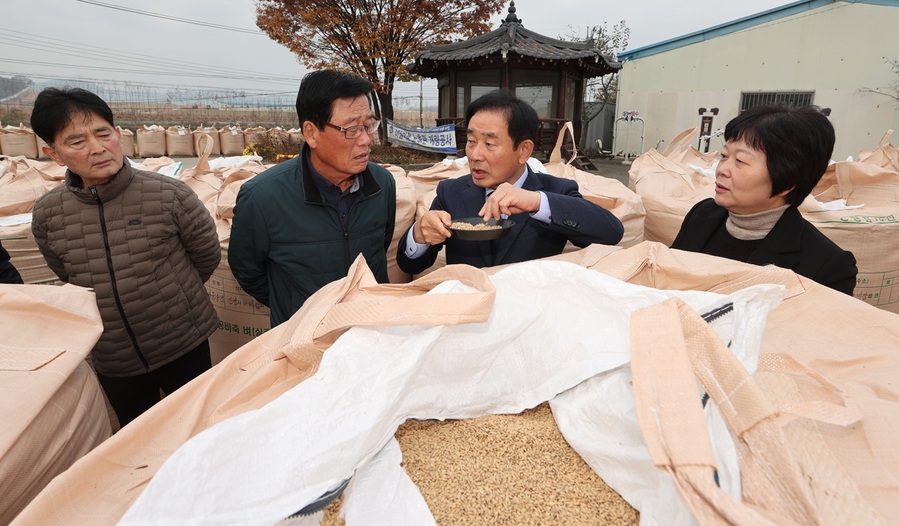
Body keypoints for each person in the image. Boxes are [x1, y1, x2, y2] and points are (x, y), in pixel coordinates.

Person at [30, 88, 221, 427]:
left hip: (182, 343)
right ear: (54, 154)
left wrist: (171, 296)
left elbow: (205, 256)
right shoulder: (48, 214)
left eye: (103, 134)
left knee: (201, 426)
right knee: (139, 437)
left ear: (119, 134)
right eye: (77, 141)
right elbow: (66, 273)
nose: (97, 148)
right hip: (114, 358)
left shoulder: (169, 195)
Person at [229, 70, 396, 327]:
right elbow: (248, 272)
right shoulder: (263, 198)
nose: (366, 139)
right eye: (352, 128)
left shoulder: (382, 184)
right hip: (302, 338)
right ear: (311, 133)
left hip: (370, 333)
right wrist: (294, 305)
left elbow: (380, 247)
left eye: (368, 125)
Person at [397, 89, 624, 275]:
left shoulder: (555, 191)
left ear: (524, 151)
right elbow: (410, 265)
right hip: (470, 307)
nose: (474, 154)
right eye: (471, 141)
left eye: (489, 144)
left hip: (530, 308)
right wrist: (419, 235)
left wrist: (537, 202)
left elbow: (611, 233)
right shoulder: (451, 191)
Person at [671, 104, 857, 295]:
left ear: (786, 182)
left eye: (740, 161)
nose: (722, 169)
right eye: (724, 156)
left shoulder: (827, 266)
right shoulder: (702, 216)